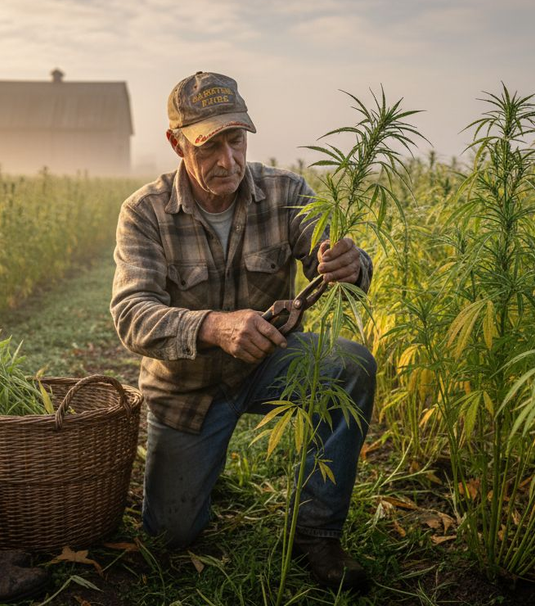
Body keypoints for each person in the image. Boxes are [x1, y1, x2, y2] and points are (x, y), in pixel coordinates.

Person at [110, 71, 376, 592]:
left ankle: (317, 533)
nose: (227, 160)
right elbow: (131, 314)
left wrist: (349, 262)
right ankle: (202, 473)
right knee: (172, 535)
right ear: (177, 144)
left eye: (236, 141)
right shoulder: (145, 212)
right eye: (209, 146)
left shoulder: (286, 192)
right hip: (186, 389)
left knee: (350, 366)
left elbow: (332, 255)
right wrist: (214, 326)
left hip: (265, 367)